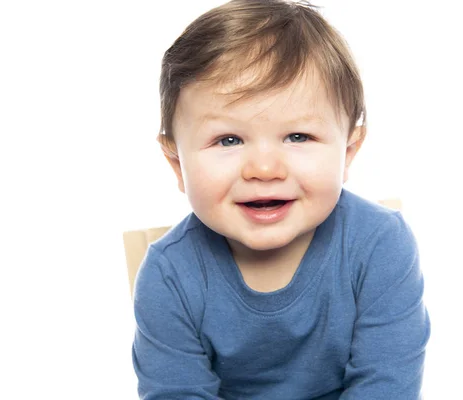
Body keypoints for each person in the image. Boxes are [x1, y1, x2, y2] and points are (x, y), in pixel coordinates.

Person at [132, 0, 431, 398]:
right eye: (229, 140)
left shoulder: (380, 245)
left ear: (348, 153)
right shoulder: (168, 274)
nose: (265, 169)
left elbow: (387, 385)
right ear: (175, 163)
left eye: (298, 137)